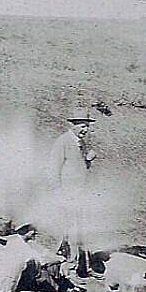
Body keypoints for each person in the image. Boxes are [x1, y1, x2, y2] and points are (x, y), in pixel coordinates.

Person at [50, 107, 97, 277]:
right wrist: (58, 193)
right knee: (72, 230)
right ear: (74, 125)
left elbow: (78, 167)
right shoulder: (63, 142)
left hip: (79, 194)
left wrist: (88, 161)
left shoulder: (80, 143)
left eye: (87, 126)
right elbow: (54, 169)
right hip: (67, 194)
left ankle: (82, 266)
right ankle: (70, 269)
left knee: (79, 229)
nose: (85, 130)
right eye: (83, 126)